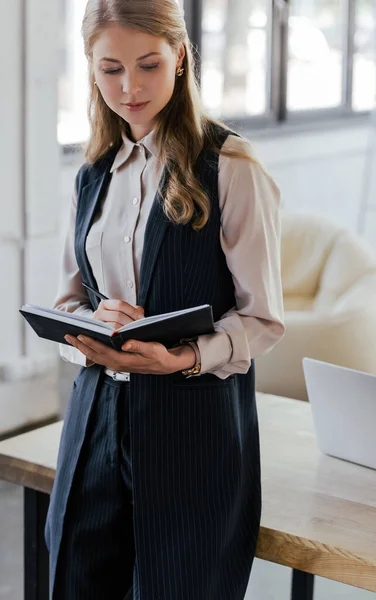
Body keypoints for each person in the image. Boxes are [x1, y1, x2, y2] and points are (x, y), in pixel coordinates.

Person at [45, 0, 285, 598]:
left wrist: (182, 358)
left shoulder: (231, 167)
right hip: (94, 421)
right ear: (91, 69)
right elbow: (68, 300)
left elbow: (263, 319)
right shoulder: (92, 173)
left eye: (149, 64)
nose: (129, 88)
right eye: (110, 69)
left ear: (180, 58)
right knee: (74, 578)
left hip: (194, 431)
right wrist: (87, 326)